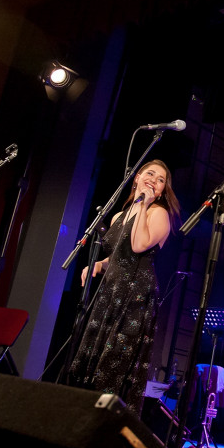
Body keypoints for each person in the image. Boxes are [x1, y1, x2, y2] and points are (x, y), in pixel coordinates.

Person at [68, 159, 181, 415]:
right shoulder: (119, 215)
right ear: (137, 177)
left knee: (114, 366)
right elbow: (119, 255)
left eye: (160, 180)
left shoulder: (158, 213)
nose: (154, 180)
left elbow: (139, 245)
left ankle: (108, 425)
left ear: (162, 191)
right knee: (92, 361)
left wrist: (144, 205)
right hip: (111, 293)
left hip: (135, 297)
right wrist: (99, 264)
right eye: (150, 174)